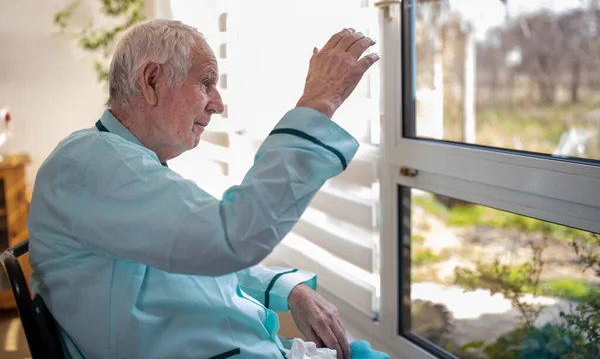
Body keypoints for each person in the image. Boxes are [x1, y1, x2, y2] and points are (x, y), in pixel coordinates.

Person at [27, 19, 385, 359]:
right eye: (206, 82)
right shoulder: (93, 164)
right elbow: (230, 238)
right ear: (151, 80)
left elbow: (191, 251)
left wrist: (286, 288)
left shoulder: (116, 160)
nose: (217, 103)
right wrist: (318, 104)